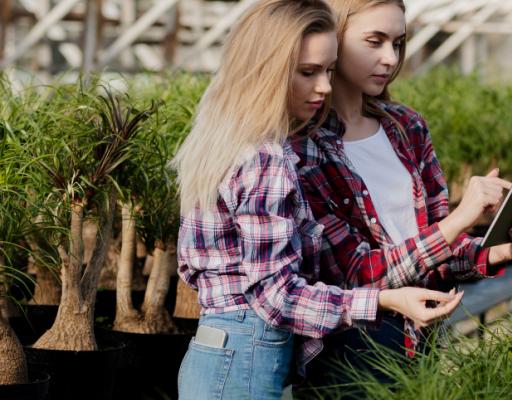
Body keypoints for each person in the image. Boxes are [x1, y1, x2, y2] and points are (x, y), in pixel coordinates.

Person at [171, 1, 463, 398]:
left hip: (220, 347)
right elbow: (275, 296)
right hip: (244, 356)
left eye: (327, 70)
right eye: (308, 72)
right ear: (265, 70)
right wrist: (383, 300)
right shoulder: (267, 159)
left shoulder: (223, 141)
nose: (324, 86)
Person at [291, 0, 512, 388]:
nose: (390, 58)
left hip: (423, 333)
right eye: (374, 41)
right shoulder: (304, 148)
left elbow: (433, 254)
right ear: (333, 38)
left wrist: (495, 252)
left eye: (398, 42)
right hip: (353, 348)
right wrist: (460, 219)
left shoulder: (406, 127)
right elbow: (358, 274)